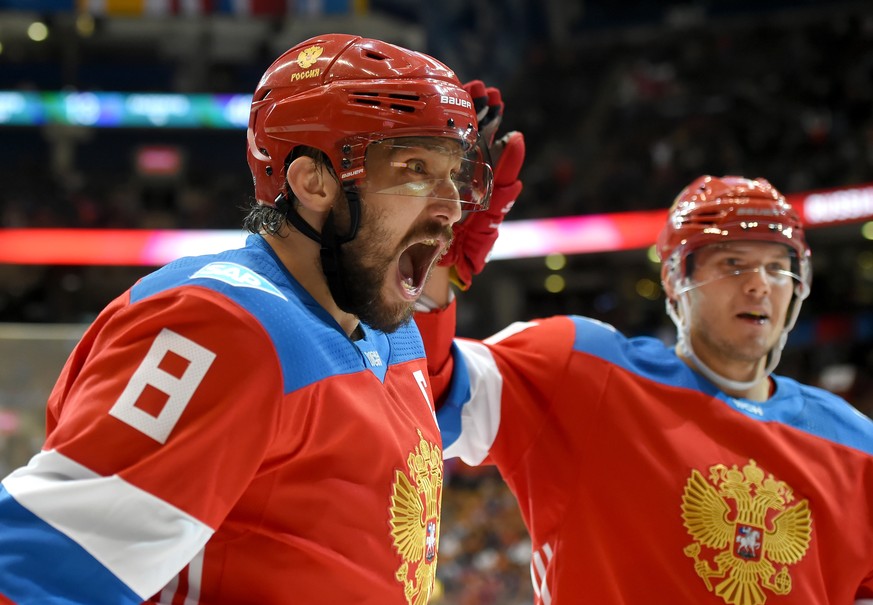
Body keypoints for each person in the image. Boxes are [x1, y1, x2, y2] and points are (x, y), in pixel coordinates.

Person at [0, 33, 500, 605]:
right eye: (415, 168)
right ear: (313, 181)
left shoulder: (383, 323)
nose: (454, 206)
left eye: (453, 173)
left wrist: (437, 286)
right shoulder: (221, 327)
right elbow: (30, 576)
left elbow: (400, 435)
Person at [417, 175, 873, 603]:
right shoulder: (578, 368)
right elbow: (420, 397)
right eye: (734, 263)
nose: (759, 285)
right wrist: (429, 262)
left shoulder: (858, 447)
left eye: (777, 268)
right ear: (677, 278)